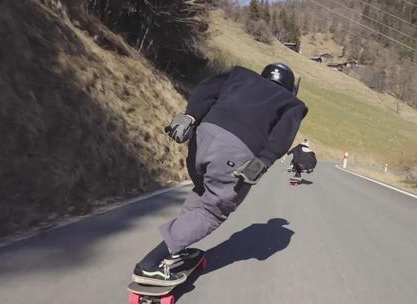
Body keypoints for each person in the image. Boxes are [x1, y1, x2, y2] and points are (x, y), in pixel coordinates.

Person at [132, 63, 308, 286]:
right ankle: (150, 264)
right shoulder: (291, 102)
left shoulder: (240, 74)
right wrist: (263, 161)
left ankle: (176, 249)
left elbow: (206, 90)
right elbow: (282, 136)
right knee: (211, 211)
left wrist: (190, 116)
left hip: (202, 139)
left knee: (202, 190)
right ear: (289, 86)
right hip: (235, 153)